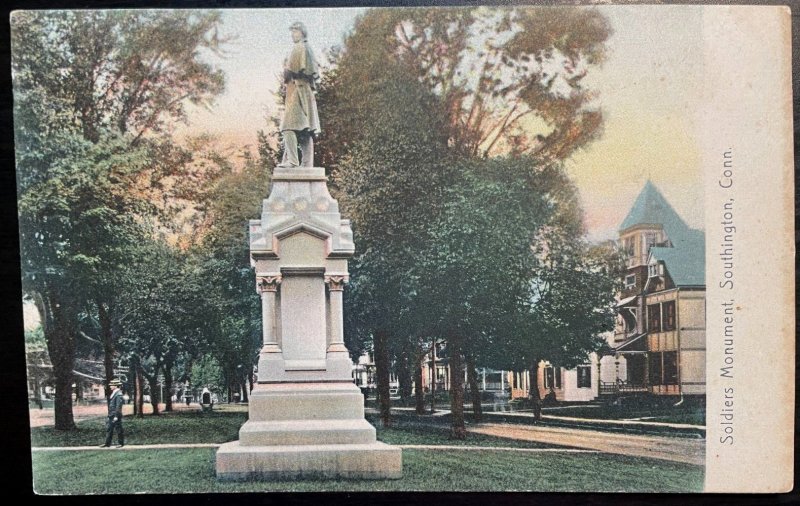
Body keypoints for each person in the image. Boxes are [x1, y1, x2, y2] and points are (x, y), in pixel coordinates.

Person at [278, 21, 320, 168]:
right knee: (304, 128)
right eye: (292, 32)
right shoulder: (307, 48)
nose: (293, 35)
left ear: (302, 32)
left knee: (287, 127)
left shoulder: (299, 47)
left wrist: (285, 70)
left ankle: (292, 161)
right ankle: (307, 164)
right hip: (303, 92)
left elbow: (290, 71)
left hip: (298, 90)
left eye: (295, 31)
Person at [100, 379, 125, 448]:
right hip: (112, 414)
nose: (110, 386)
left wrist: (116, 416)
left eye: (112, 385)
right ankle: (107, 443)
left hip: (115, 415)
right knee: (109, 429)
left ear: (116, 386)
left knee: (118, 429)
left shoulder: (118, 394)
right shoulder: (115, 393)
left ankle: (121, 443)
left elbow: (118, 406)